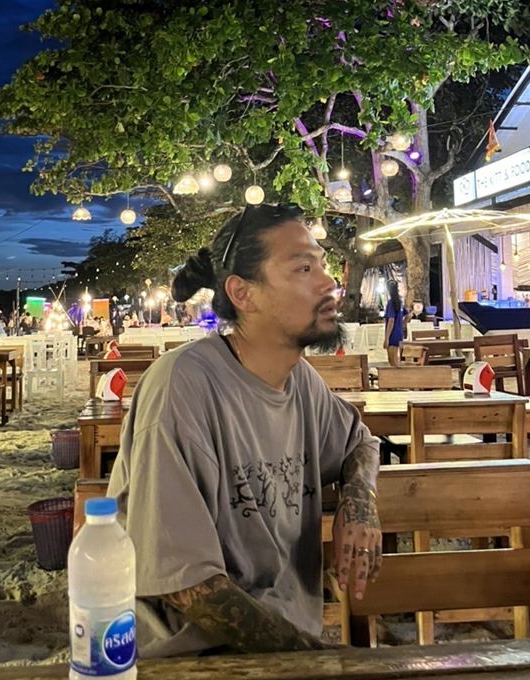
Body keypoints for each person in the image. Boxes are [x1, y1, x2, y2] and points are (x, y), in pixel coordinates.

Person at [108, 204, 381, 658]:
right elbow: (190, 590)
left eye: (323, 265)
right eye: (304, 268)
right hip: (193, 659)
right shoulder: (182, 386)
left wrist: (360, 501)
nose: (329, 283)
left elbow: (361, 443)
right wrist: (318, 660)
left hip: (287, 646)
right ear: (243, 294)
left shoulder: (301, 381)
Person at [383, 279, 411, 367]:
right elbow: (409, 315)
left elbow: (391, 321)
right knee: (394, 359)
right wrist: (402, 324)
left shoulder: (391, 303)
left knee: (393, 360)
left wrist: (387, 338)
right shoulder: (400, 302)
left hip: (392, 334)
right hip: (399, 333)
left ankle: (397, 375)